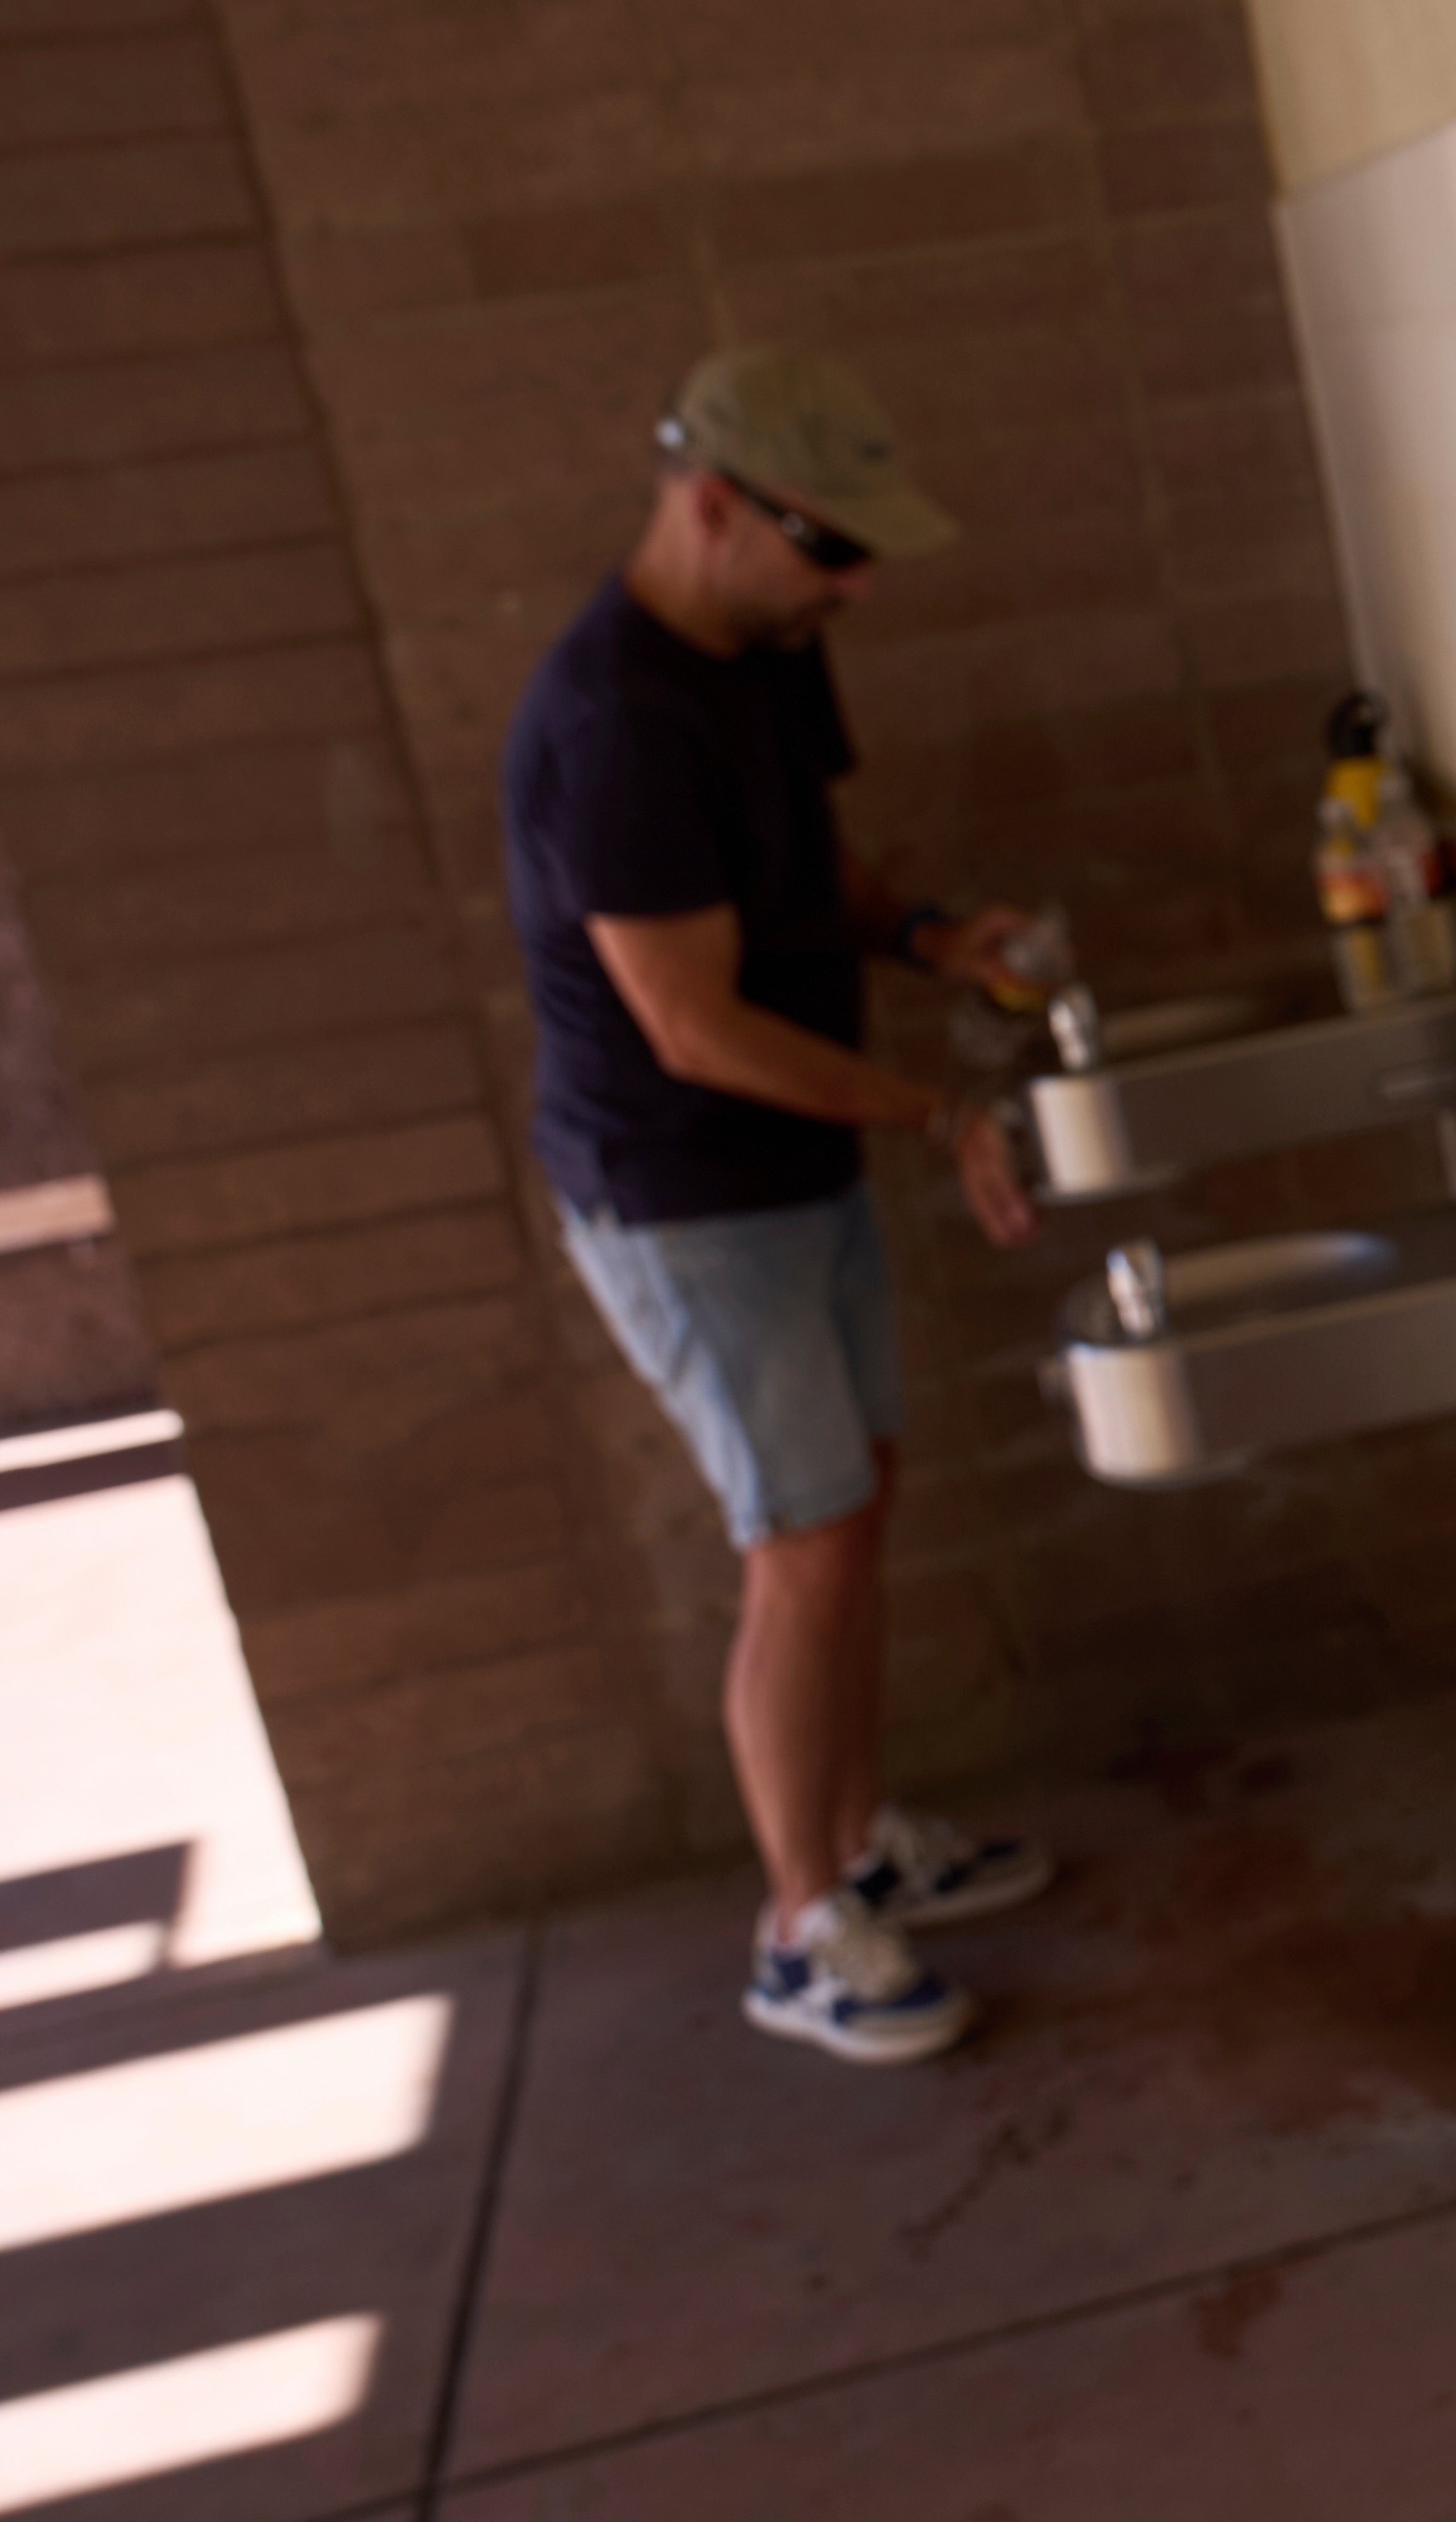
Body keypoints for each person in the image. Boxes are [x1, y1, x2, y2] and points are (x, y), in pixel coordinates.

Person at [502, 347, 1049, 2066]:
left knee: (852, 1505)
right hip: (682, 1199)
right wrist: (937, 1111)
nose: (858, 585)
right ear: (712, 504)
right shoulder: (613, 721)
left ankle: (860, 1836)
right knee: (797, 1542)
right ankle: (800, 1924)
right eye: (832, 549)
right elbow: (690, 1023)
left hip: (789, 1170)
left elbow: (817, 874)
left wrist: (930, 936)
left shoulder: (765, 648)